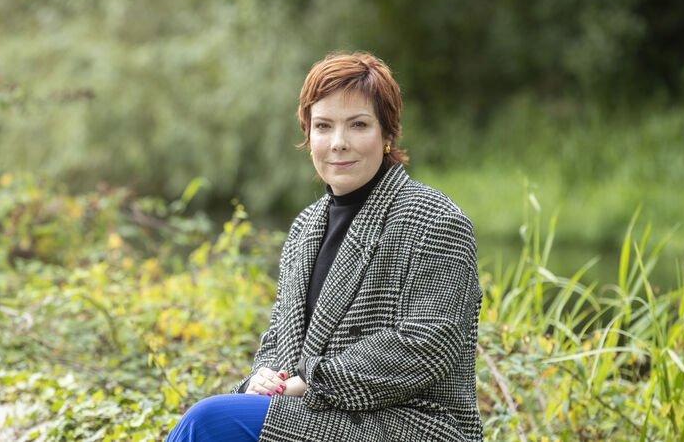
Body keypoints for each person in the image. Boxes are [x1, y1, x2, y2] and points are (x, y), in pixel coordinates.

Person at [165, 51, 483, 441]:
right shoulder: (305, 226)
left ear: (387, 134)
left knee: (209, 421)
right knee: (221, 417)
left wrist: (309, 382)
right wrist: (263, 378)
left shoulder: (435, 219)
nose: (338, 143)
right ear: (308, 135)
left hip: (413, 423)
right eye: (323, 126)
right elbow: (278, 338)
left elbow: (426, 345)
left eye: (358, 125)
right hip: (317, 412)